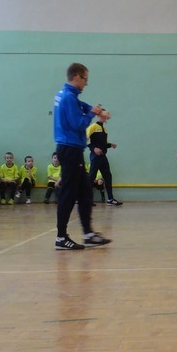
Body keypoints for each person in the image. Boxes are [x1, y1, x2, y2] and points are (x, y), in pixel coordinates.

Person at [53, 62, 112, 250]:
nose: (86, 83)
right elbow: (78, 124)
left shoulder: (67, 94)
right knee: (68, 193)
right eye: (85, 79)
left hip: (72, 149)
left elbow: (81, 105)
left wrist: (97, 110)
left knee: (85, 191)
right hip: (69, 149)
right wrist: (92, 114)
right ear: (77, 77)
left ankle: (88, 234)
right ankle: (61, 237)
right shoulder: (68, 97)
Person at [86, 110, 122, 206]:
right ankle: (86, 200)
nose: (104, 118)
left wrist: (110, 144)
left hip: (102, 156)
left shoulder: (104, 129)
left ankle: (110, 199)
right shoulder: (93, 127)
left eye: (105, 116)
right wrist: (94, 148)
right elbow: (85, 138)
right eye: (103, 116)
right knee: (91, 177)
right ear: (98, 116)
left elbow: (104, 144)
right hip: (95, 156)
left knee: (108, 176)